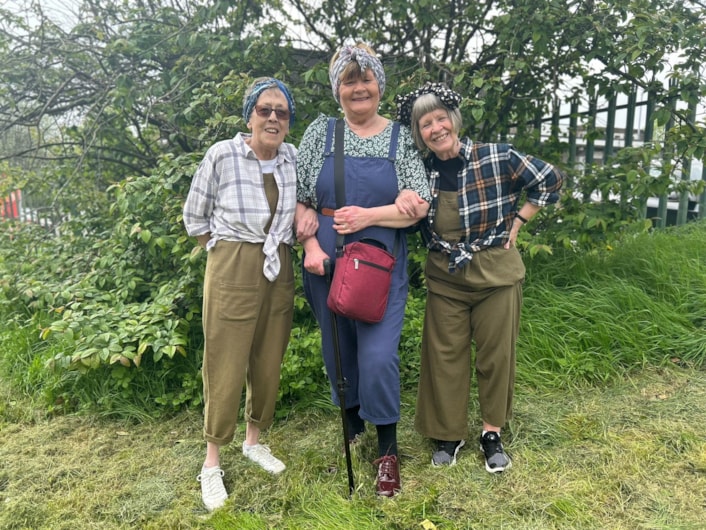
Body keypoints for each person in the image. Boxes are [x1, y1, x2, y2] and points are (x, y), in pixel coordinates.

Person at [394, 82, 564, 472]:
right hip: (446, 277)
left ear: (453, 119)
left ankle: (492, 433)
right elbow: (403, 210)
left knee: (496, 355)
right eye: (425, 124)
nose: (435, 129)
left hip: (497, 275)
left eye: (440, 119)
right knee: (443, 356)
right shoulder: (419, 172)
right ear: (419, 134)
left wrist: (519, 221)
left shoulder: (495, 157)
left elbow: (549, 179)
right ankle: (448, 434)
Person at [295, 43, 431, 497]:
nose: (358, 88)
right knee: (339, 350)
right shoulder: (321, 132)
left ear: (379, 84)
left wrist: (371, 216)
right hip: (326, 260)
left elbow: (416, 208)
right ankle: (352, 426)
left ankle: (387, 448)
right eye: (348, 81)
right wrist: (310, 242)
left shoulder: (400, 138)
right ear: (337, 90)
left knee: (377, 355)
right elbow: (301, 199)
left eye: (365, 79)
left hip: (380, 260)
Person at [183, 77, 309, 511]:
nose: (273, 118)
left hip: (280, 264)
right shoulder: (222, 154)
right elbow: (194, 219)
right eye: (265, 109)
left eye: (282, 112)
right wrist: (227, 257)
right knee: (225, 361)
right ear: (250, 115)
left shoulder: (293, 158)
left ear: (288, 122)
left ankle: (254, 441)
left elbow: (305, 207)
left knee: (269, 356)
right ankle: (212, 461)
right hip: (233, 264)